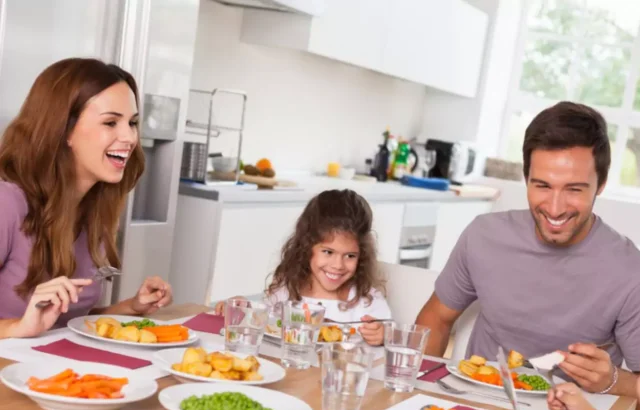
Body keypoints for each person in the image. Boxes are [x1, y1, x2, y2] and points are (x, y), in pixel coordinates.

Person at [415, 101, 640, 397]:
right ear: (526, 178)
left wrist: (611, 380)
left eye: (574, 189)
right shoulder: (483, 236)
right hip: (476, 408)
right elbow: (436, 319)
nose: (555, 208)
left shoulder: (634, 276)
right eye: (542, 186)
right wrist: (418, 390)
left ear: (601, 184)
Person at [0, 58, 173, 340]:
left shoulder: (94, 211)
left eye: (132, 123)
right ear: (64, 129)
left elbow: (65, 322)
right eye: (110, 122)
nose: (129, 137)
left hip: (53, 373)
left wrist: (132, 307)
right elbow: (32, 326)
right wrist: (17, 328)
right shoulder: (7, 203)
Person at [215, 189, 391, 345]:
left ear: (362, 256)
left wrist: (383, 335)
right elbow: (265, 323)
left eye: (350, 256)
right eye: (328, 252)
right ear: (307, 247)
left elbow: (393, 337)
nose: (338, 265)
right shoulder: (287, 289)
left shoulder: (367, 301)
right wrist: (245, 309)